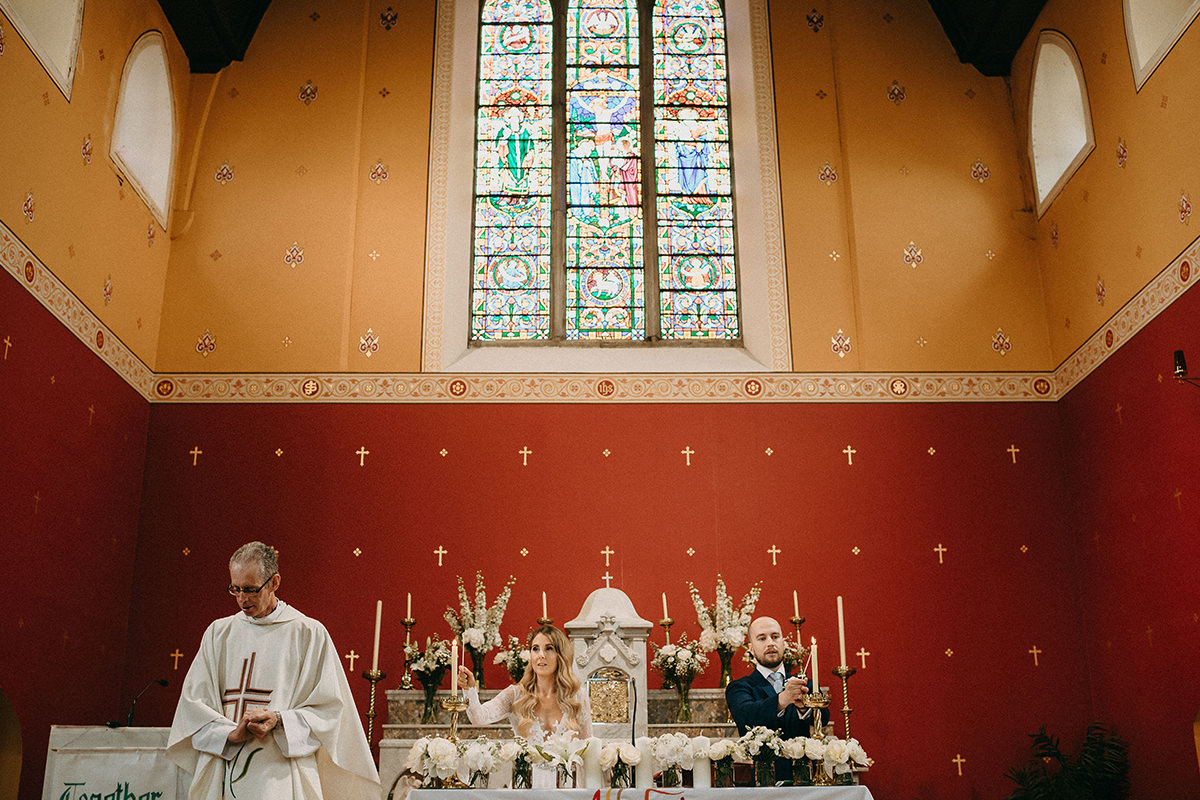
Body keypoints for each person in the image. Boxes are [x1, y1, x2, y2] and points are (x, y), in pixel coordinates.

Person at [167, 542, 380, 800]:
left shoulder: (308, 634)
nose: (242, 599)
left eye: (250, 589)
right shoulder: (218, 634)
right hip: (223, 769)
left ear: (274, 582)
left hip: (280, 774)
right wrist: (229, 733)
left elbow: (331, 711)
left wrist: (279, 720)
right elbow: (193, 707)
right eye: (235, 589)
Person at [725, 616, 826, 783]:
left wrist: (804, 707)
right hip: (763, 780)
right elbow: (746, 716)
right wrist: (783, 699)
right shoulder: (739, 687)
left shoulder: (806, 684)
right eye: (762, 638)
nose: (770, 643)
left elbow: (825, 716)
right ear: (751, 648)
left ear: (784, 643)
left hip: (804, 778)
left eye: (775, 636)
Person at [458, 624, 592, 742]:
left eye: (549, 648)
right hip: (526, 771)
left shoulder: (577, 697)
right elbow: (479, 718)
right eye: (535, 649)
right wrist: (469, 689)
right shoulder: (516, 694)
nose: (541, 655)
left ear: (561, 655)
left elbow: (588, 748)